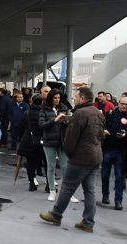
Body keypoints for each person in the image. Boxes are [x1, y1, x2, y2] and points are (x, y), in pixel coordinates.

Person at [40, 87, 105, 233]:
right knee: (90, 190)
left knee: (67, 186)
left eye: (76, 96)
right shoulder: (97, 113)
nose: (74, 98)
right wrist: (69, 119)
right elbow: (98, 133)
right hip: (95, 156)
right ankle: (88, 222)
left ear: (82, 98)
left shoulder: (80, 113)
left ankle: (56, 215)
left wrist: (69, 154)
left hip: (81, 158)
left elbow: (70, 139)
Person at [39, 89, 78, 202]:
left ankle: (68, 193)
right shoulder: (43, 109)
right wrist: (54, 120)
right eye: (55, 98)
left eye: (59, 98)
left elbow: (69, 125)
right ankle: (52, 191)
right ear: (51, 98)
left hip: (62, 141)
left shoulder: (64, 108)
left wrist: (67, 121)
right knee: (50, 167)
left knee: (65, 167)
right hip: (49, 141)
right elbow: (41, 125)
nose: (57, 100)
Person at [101, 96, 127, 210]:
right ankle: (105, 195)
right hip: (109, 148)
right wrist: (104, 131)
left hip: (122, 150)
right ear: (119, 103)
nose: (124, 106)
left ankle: (118, 200)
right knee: (105, 174)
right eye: (122, 104)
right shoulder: (111, 114)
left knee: (119, 176)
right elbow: (102, 125)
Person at [17, 94, 45, 191]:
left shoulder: (26, 113)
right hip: (42, 141)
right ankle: (49, 186)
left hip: (28, 140)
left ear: (32, 101)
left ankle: (32, 182)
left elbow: (20, 128)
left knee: (30, 162)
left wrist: (22, 137)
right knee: (46, 162)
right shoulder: (43, 113)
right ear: (42, 102)